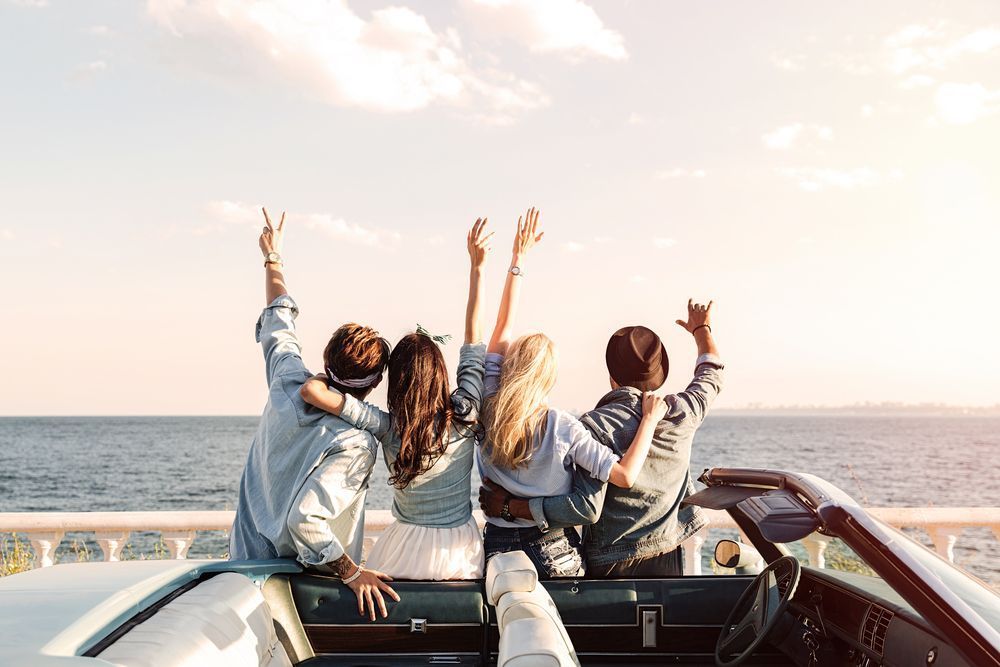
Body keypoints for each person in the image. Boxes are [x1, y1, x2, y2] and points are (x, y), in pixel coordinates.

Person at [297, 218, 494, 580]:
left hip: (402, 547)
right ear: (440, 372)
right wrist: (477, 268)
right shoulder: (466, 413)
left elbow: (311, 391)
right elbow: (473, 342)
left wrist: (329, 374)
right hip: (458, 551)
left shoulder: (387, 427)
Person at [229, 208, 400, 621]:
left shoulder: (286, 381)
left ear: (327, 358)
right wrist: (351, 572)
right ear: (375, 382)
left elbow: (279, 318)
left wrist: (273, 257)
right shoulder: (356, 443)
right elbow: (305, 521)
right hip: (293, 594)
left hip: (239, 569)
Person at [478, 207, 669, 579]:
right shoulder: (562, 427)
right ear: (549, 377)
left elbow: (502, 326)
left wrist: (518, 260)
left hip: (498, 546)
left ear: (510, 367)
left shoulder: (488, 407)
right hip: (553, 550)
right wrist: (648, 420)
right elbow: (624, 476)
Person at [478, 299, 723, 577]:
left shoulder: (593, 425)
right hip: (668, 551)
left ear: (612, 377)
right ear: (659, 375)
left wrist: (510, 507)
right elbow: (711, 374)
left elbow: (585, 506)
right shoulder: (682, 412)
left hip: (611, 561)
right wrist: (702, 330)